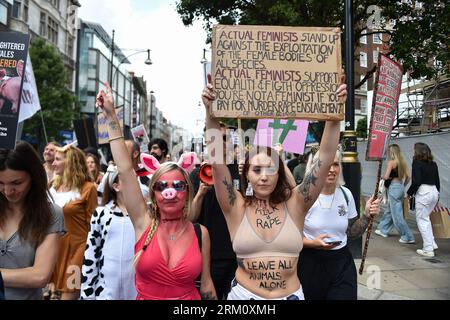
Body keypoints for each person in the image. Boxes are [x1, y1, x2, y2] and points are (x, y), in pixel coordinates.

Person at [202, 75, 347, 300]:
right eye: (256, 170)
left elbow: (326, 157)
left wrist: (335, 114)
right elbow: (218, 164)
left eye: (270, 169)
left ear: (279, 173)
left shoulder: (297, 204)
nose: (263, 177)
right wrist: (210, 114)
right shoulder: (235, 206)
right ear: (246, 175)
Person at [96, 82, 217, 300]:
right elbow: (125, 169)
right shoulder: (143, 223)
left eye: (178, 186)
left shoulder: (201, 234)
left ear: (187, 191)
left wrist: (211, 113)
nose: (170, 192)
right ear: (153, 194)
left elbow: (207, 286)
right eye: (162, 186)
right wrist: (111, 117)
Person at [298, 149, 381, 300]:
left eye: (335, 164)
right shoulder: (303, 196)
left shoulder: (345, 194)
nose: (331, 169)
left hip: (341, 263)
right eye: (326, 165)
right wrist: (311, 243)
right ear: (314, 167)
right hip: (311, 263)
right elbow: (289, 237)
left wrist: (367, 216)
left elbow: (351, 232)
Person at [0, 141, 64, 300]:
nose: (8, 191)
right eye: (0, 183)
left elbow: (40, 276)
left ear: (34, 177)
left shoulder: (51, 213)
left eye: (17, 183)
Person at [48, 144, 98, 300]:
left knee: (70, 294)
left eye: (57, 159)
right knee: (53, 295)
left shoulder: (88, 188)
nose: (53, 163)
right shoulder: (52, 186)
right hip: (54, 249)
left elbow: (95, 224)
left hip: (77, 251)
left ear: (70, 162)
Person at [81, 164, 137, 300]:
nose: (133, 183)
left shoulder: (142, 216)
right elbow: (91, 254)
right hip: (106, 291)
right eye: (127, 179)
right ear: (116, 186)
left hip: (136, 289)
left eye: (134, 179)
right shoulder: (101, 214)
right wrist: (87, 293)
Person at [375, 144, 414, 244]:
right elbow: (409, 177)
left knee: (397, 215)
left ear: (391, 152)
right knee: (390, 210)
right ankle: (383, 229)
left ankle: (408, 236)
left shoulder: (391, 162)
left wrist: (382, 178)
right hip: (400, 186)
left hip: (393, 187)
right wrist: (403, 186)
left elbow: (386, 176)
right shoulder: (403, 163)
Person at [407, 142, 440, 257]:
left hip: (424, 192)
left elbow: (416, 181)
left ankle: (428, 249)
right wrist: (438, 195)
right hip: (434, 191)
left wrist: (409, 192)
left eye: (414, 149)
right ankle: (432, 243)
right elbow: (437, 181)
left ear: (417, 151)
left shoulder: (416, 162)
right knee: (426, 218)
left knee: (422, 219)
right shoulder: (433, 164)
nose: (413, 151)